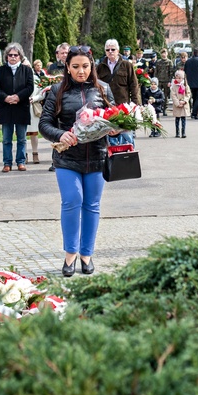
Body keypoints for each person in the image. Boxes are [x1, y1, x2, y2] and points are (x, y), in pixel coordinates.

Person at [39, 46, 116, 277]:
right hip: (67, 159)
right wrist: (60, 134)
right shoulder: (57, 91)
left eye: (85, 66)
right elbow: (44, 124)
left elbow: (116, 117)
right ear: (67, 68)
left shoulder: (103, 90)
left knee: (92, 205)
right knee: (72, 201)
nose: (81, 71)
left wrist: (115, 129)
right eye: (75, 67)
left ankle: (87, 254)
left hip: (97, 157)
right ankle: (70, 255)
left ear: (92, 66)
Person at [0, 42, 34, 172]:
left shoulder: (27, 70)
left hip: (21, 107)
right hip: (6, 108)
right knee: (6, 139)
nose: (13, 57)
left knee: (22, 138)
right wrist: (6, 97)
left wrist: (18, 97)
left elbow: (30, 87)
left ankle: (21, 162)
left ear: (20, 56)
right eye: (10, 55)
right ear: (6, 56)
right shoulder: (0, 71)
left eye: (15, 55)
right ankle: (7, 163)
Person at [170, 69, 191, 137]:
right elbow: (173, 95)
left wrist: (184, 101)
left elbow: (188, 94)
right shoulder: (174, 86)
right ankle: (177, 132)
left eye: (180, 78)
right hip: (177, 105)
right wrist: (177, 103)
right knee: (177, 119)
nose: (178, 79)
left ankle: (183, 132)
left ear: (182, 78)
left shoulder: (185, 85)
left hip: (184, 105)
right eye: (177, 78)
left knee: (183, 119)